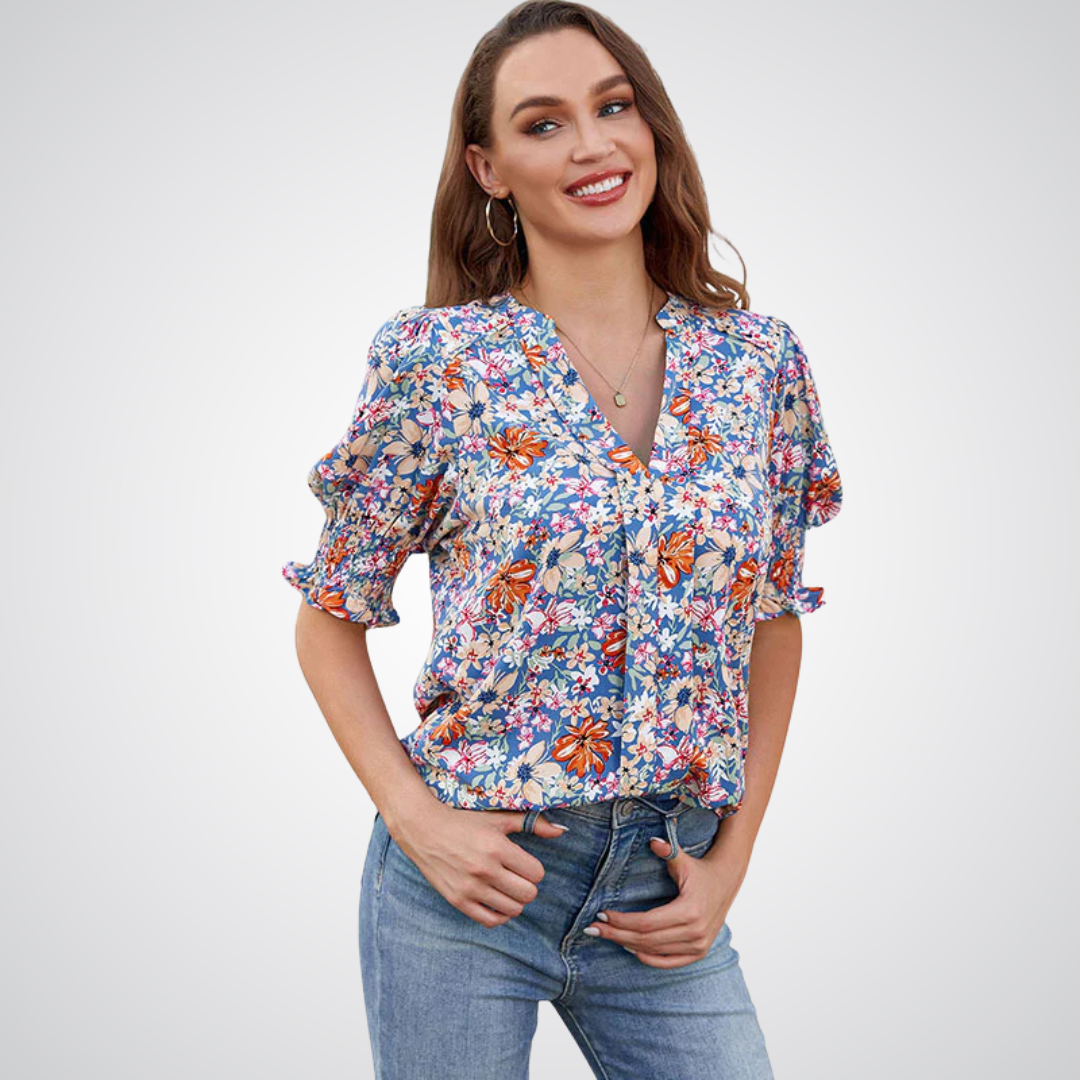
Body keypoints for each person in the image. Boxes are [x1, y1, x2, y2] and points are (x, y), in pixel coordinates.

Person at [282, 3, 843, 1077]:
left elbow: (773, 621)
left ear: (651, 128)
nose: (591, 144)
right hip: (469, 882)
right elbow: (327, 619)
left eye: (612, 107)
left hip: (665, 888)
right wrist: (418, 820)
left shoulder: (757, 363)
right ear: (488, 169)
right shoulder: (439, 362)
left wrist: (731, 864)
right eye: (543, 124)